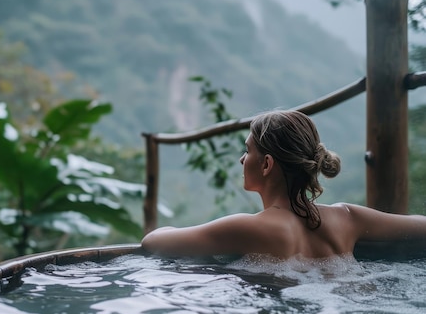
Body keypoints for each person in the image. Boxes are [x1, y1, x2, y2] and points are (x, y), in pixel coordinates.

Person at [141, 110, 426, 259]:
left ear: (266, 164)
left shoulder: (250, 228)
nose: (242, 160)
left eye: (248, 151)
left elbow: (152, 243)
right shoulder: (347, 217)